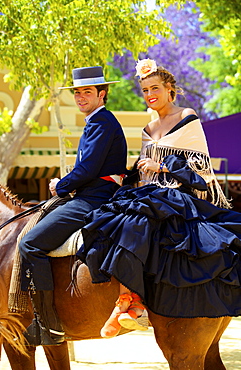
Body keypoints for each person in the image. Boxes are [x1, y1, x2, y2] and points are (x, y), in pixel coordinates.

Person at [77, 58, 241, 339]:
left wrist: (163, 166)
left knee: (136, 222)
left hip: (178, 195)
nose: (149, 95)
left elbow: (201, 174)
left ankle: (128, 302)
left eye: (155, 88)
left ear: (169, 90)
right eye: (144, 90)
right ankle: (129, 300)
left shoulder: (187, 118)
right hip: (148, 192)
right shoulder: (148, 130)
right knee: (108, 221)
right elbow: (141, 171)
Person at [19, 66, 127, 345]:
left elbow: (89, 167)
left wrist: (61, 185)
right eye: (77, 92)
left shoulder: (102, 122)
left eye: (87, 92)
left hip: (93, 198)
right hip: (90, 194)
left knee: (29, 243)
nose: (80, 97)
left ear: (102, 94)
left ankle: (48, 323)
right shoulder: (96, 121)